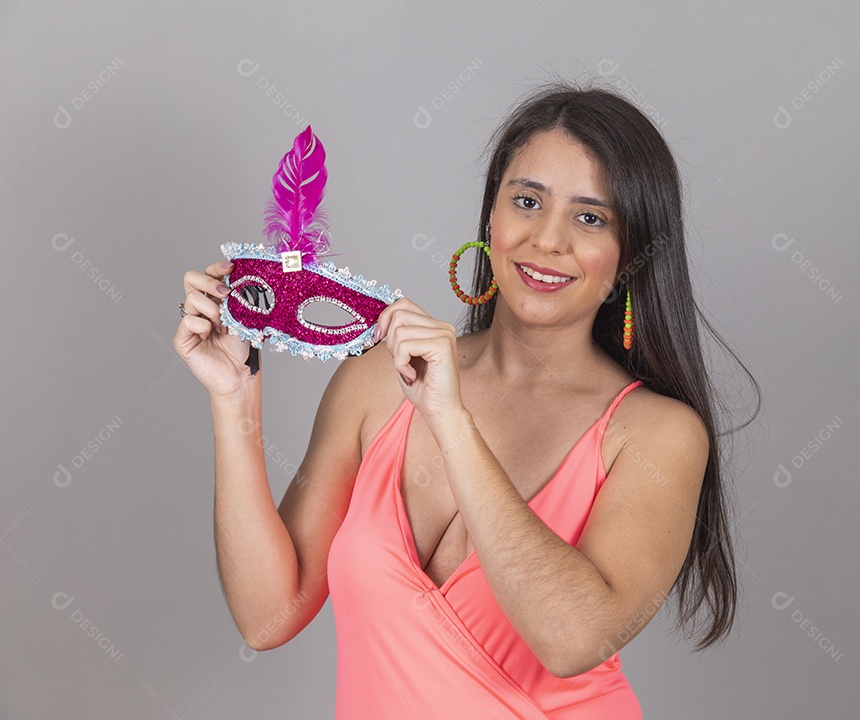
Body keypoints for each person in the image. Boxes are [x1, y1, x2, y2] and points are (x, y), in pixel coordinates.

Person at [174, 81, 760, 719]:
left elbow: (572, 639)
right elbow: (270, 616)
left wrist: (451, 421)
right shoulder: (375, 383)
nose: (547, 240)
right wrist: (235, 400)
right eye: (527, 201)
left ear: (628, 258)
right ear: (492, 218)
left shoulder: (656, 435)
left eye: (590, 217)